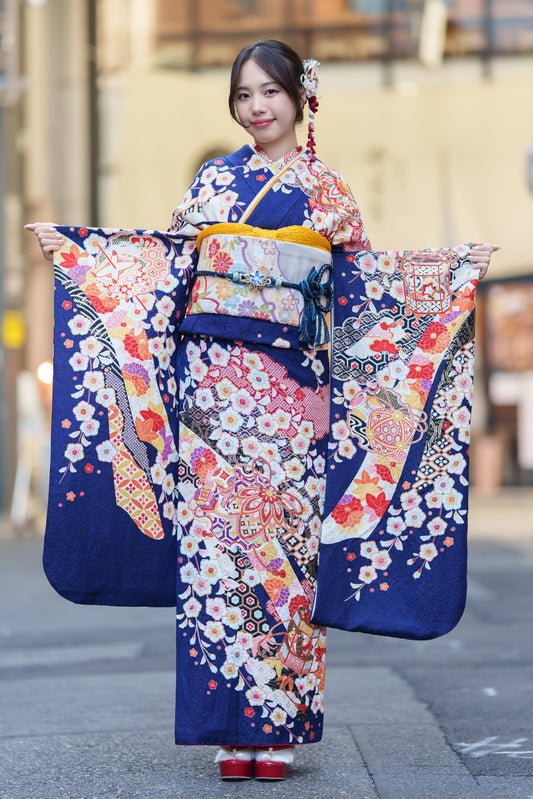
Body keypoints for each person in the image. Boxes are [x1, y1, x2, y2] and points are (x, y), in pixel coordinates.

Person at [26, 39, 497, 782]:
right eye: (243, 95)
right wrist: (80, 253)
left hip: (291, 398)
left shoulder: (327, 191)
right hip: (212, 396)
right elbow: (164, 268)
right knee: (215, 558)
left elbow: (361, 292)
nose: (256, 107)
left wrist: (450, 273)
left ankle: (275, 728)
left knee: (285, 559)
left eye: (270, 91)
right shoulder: (215, 181)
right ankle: (224, 725)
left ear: (299, 97)